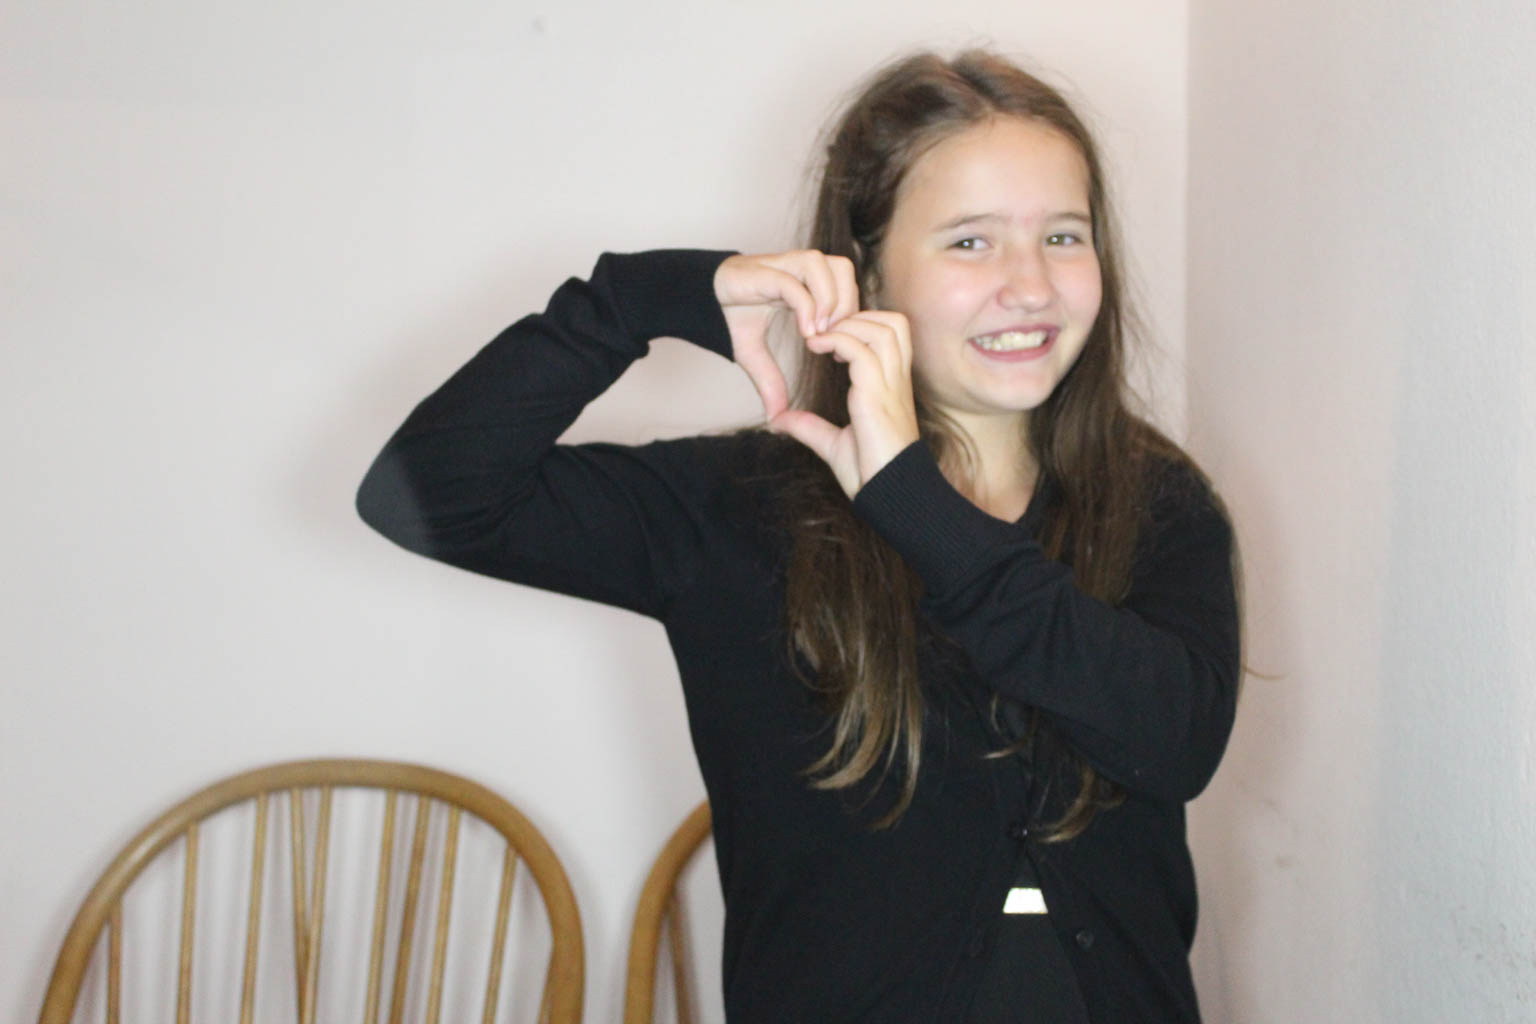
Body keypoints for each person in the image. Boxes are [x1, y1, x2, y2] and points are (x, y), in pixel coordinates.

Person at [357, 49, 1240, 1023]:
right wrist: (644, 299)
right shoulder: (735, 506)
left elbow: (1175, 744)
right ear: (867, 270)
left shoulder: (1160, 501)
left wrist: (914, 502)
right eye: (971, 242)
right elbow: (423, 491)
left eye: (1063, 235)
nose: (1030, 286)